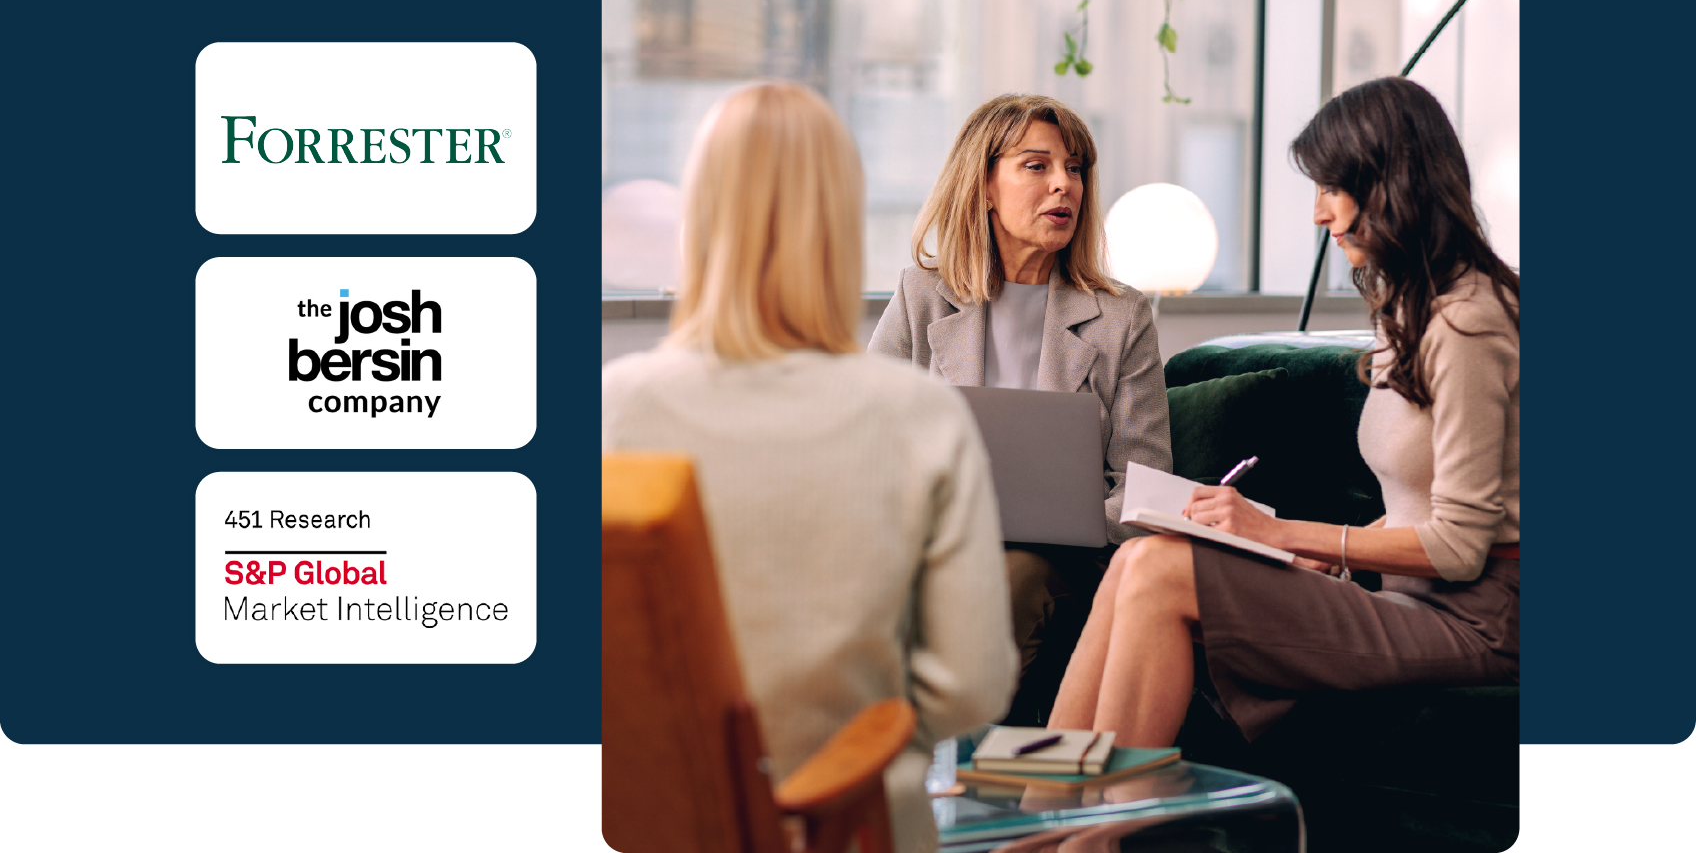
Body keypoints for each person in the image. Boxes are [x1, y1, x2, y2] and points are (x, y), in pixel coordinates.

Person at [602, 82, 1018, 853]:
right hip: (859, 823)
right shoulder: (921, 414)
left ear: (702, 218)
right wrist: (874, 733)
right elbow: (972, 683)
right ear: (838, 224)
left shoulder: (617, 407)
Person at [1048, 76, 1519, 746]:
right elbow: (1426, 501)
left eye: (1332, 188)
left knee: (1157, 572)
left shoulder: (1470, 322)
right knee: (1138, 558)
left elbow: (1462, 546)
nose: (1319, 214)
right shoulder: (1410, 310)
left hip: (1479, 620)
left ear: (1390, 185)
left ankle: (1094, 840)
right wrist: (1328, 558)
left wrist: (1283, 534)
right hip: (1411, 597)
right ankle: (1041, 821)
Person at [868, 93, 1172, 700]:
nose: (1064, 185)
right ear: (982, 185)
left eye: (1075, 168)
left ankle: (965, 776)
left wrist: (1075, 526)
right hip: (938, 548)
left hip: (1061, 564)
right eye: (1037, 166)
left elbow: (1145, 483)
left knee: (1011, 574)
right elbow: (864, 444)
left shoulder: (1120, 316)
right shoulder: (920, 297)